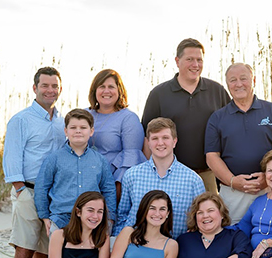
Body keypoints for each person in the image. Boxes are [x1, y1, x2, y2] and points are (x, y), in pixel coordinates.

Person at [3, 66, 66, 258]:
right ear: (35, 88)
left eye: (54, 86)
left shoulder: (63, 122)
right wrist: (21, 191)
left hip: (54, 196)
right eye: (45, 86)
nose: (50, 90)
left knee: (44, 252)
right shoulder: (21, 120)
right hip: (28, 192)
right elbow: (12, 159)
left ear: (60, 89)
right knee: (24, 251)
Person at [141, 38, 231, 193]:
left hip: (208, 175)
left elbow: (230, 131)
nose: (195, 65)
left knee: (209, 216)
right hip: (170, 175)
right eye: (189, 59)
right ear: (177, 61)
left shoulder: (217, 91)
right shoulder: (159, 94)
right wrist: (152, 174)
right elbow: (147, 138)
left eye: (199, 60)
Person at [205, 63, 272, 223]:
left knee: (269, 236)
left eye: (243, 79)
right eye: (233, 80)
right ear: (228, 85)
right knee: (233, 239)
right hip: (232, 195)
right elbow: (211, 157)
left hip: (270, 189)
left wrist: (268, 178)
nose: (238, 84)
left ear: (254, 80)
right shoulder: (217, 118)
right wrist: (233, 181)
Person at [114, 117, 205, 238]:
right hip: (136, 248)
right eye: (155, 138)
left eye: (165, 138)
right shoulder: (132, 175)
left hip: (176, 249)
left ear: (174, 141)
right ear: (148, 143)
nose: (160, 143)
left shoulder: (193, 180)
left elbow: (200, 221)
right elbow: (123, 216)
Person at [35, 109, 117, 234]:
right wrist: (45, 217)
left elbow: (109, 190)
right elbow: (41, 188)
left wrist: (110, 218)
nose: (78, 131)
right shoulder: (54, 159)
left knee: (89, 253)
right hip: (61, 218)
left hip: (92, 219)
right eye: (73, 127)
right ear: (66, 131)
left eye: (83, 127)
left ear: (91, 131)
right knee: (60, 252)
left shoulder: (100, 160)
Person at [87, 69, 146, 202]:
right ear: (94, 90)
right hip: (85, 182)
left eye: (111, 87)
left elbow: (131, 157)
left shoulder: (128, 118)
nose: (106, 91)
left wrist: (116, 190)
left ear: (119, 91)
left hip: (112, 185)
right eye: (102, 86)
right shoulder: (85, 115)